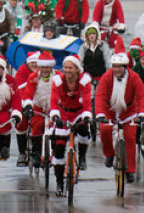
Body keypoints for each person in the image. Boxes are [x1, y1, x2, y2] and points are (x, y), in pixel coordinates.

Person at [95, 36, 144, 183]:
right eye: (115, 66)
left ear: (125, 66)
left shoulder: (134, 77)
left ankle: (130, 170)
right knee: (104, 130)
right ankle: (109, 154)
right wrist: (100, 113)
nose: (117, 70)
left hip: (128, 111)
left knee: (130, 138)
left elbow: (142, 96)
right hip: (109, 111)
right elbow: (99, 96)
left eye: (120, 66)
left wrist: (142, 113)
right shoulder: (106, 77)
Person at [50, 55, 92, 195]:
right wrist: (55, 115)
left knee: (84, 129)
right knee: (59, 148)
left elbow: (86, 101)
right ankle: (59, 182)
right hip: (63, 114)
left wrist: (86, 115)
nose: (67, 70)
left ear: (77, 69)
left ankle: (82, 157)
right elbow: (54, 100)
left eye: (70, 68)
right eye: (65, 67)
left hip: (79, 113)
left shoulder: (84, 82)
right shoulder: (58, 82)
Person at [22, 52, 60, 169]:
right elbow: (28, 94)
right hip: (38, 106)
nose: (44, 70)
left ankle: (54, 150)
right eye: (42, 67)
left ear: (51, 67)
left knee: (57, 128)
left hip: (54, 107)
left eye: (47, 67)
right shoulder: (33, 77)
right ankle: (36, 153)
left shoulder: (58, 76)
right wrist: (28, 105)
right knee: (36, 125)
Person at [0, 55, 23, 160]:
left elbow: (16, 98)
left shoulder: (10, 81)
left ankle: (4, 147)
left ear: (3, 69)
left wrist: (16, 113)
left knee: (4, 122)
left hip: (3, 110)